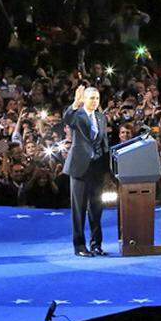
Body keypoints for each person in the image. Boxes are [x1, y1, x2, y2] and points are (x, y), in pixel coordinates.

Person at [62, 85, 112, 256]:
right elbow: (67, 118)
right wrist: (75, 104)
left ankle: (96, 244)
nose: (95, 101)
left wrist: (108, 169)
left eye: (97, 98)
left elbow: (104, 142)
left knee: (97, 208)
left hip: (97, 168)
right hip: (79, 168)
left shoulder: (101, 117)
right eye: (91, 98)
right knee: (79, 209)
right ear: (84, 99)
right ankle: (80, 246)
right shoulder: (77, 114)